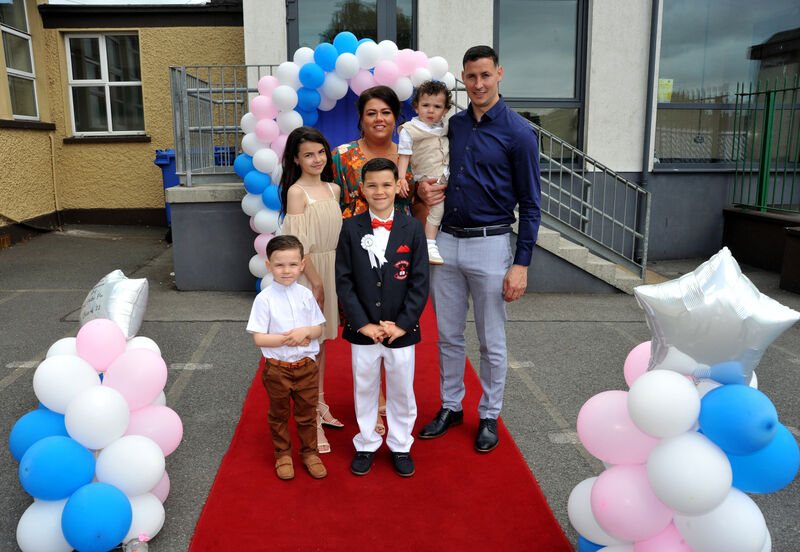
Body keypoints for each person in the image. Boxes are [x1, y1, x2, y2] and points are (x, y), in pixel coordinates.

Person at [416, 45, 541, 453]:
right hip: (447, 242)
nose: (478, 84)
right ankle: (452, 407)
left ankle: (489, 414)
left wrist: (521, 263)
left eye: (485, 75)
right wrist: (422, 186)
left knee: (492, 339)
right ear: (464, 80)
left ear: (499, 74)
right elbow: (434, 166)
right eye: (470, 77)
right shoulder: (454, 126)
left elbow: (532, 205)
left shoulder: (519, 133)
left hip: (492, 244)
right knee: (448, 336)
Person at [335, 157, 429, 477]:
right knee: (364, 385)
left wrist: (402, 325)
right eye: (372, 185)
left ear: (397, 187)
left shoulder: (413, 227)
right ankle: (366, 442)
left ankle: (401, 444)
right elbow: (344, 280)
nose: (379, 191)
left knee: (402, 387)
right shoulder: (350, 228)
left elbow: (419, 281)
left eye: (387, 184)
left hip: (401, 329)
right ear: (362, 188)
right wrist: (362, 323)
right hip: (364, 328)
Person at [332, 85, 416, 435]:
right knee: (362, 320)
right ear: (360, 119)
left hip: (399, 247)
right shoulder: (341, 155)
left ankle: (395, 412)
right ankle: (374, 402)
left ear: (396, 117)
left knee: (395, 316)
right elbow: (328, 197)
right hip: (354, 246)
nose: (379, 119)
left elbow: (420, 200)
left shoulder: (408, 154)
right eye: (371, 112)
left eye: (386, 112)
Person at [279, 127, 343, 455]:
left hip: (331, 271)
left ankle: (319, 404)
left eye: (321, 152)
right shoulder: (296, 192)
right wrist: (316, 281)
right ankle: (308, 418)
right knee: (306, 348)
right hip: (309, 275)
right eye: (308, 154)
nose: (317, 159)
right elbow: (298, 244)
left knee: (324, 344)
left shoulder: (333, 189)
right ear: (295, 158)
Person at [246, 234, 328, 480]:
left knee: (306, 412)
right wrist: (289, 338)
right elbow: (260, 338)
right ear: (269, 266)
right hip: (277, 369)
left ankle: (309, 452)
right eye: (279, 265)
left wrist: (306, 332)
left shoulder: (305, 295)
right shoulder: (264, 300)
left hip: (306, 367)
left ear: (302, 265)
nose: (286, 270)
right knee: (279, 413)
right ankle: (283, 454)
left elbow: (318, 329)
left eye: (293, 264)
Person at [397, 80, 451, 265]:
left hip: (446, 174)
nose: (430, 110)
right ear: (416, 107)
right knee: (437, 207)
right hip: (428, 176)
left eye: (437, 106)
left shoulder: (444, 127)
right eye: (425, 105)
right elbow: (404, 155)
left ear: (445, 110)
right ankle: (430, 243)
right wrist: (401, 178)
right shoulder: (410, 130)